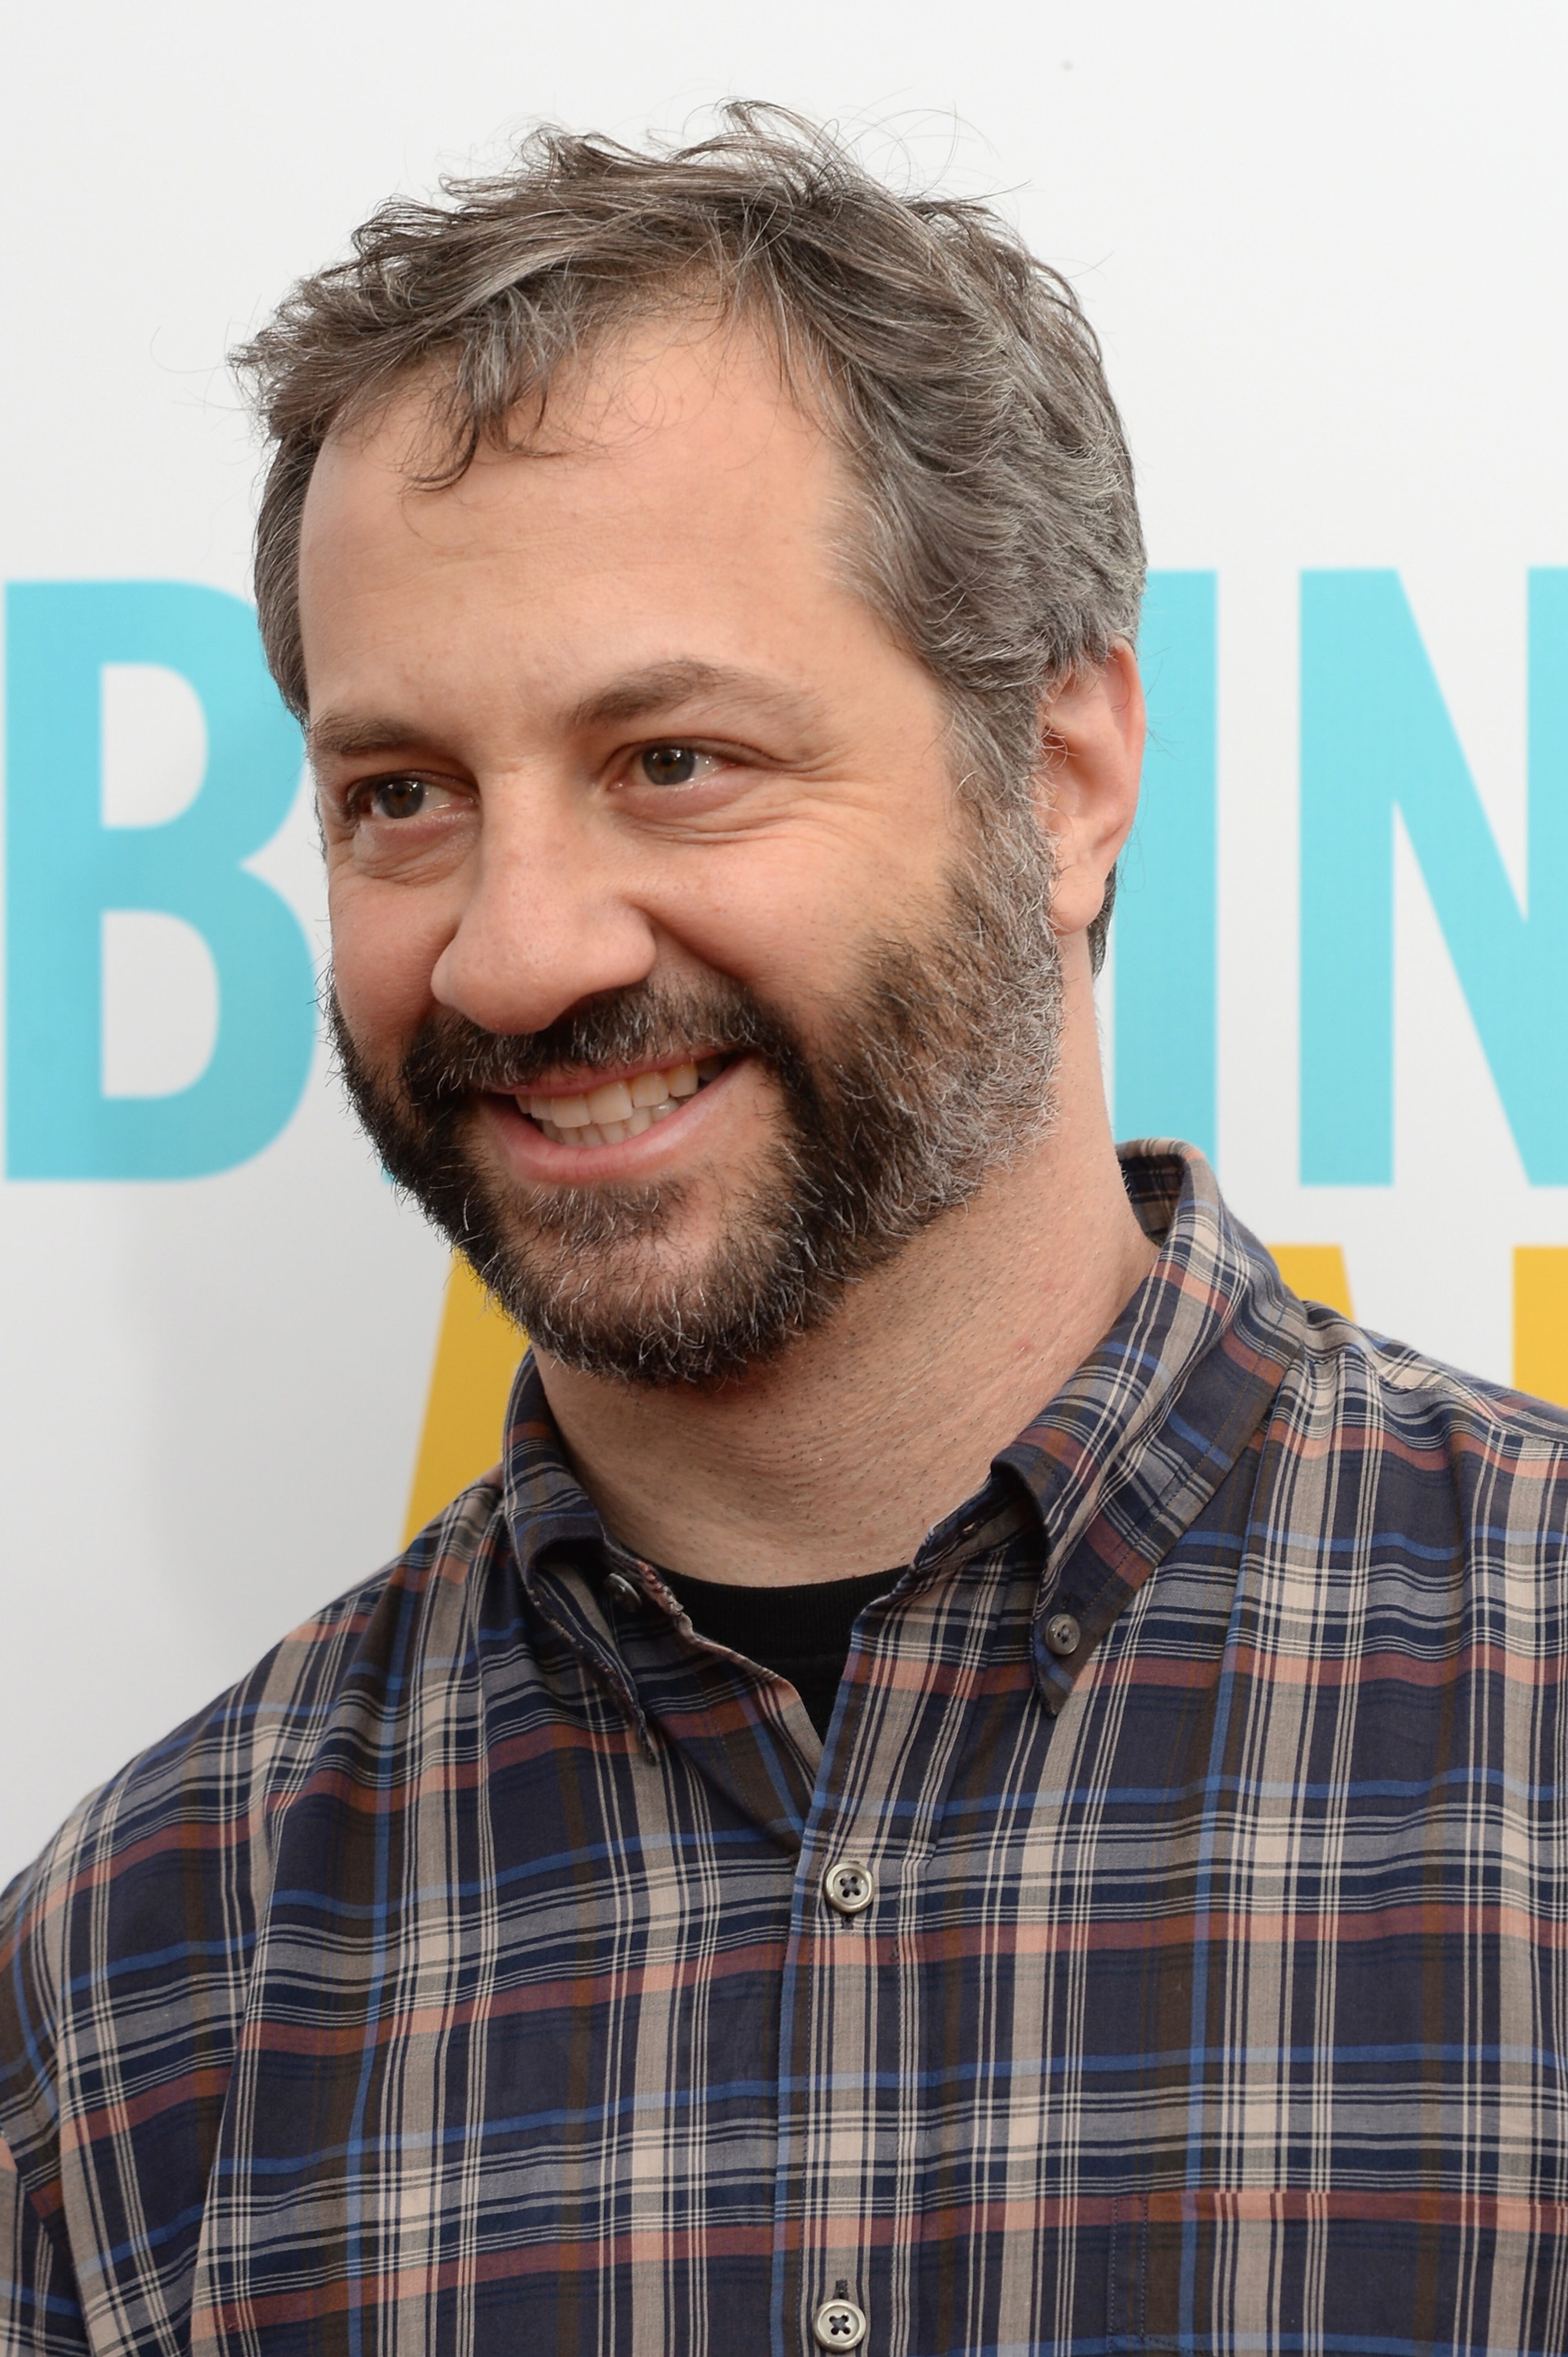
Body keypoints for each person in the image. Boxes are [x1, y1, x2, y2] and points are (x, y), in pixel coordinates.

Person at [3, 104, 1567, 2357]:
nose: (512, 957)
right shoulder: (136, 1984)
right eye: (403, 797)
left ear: (1061, 777)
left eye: (673, 759)